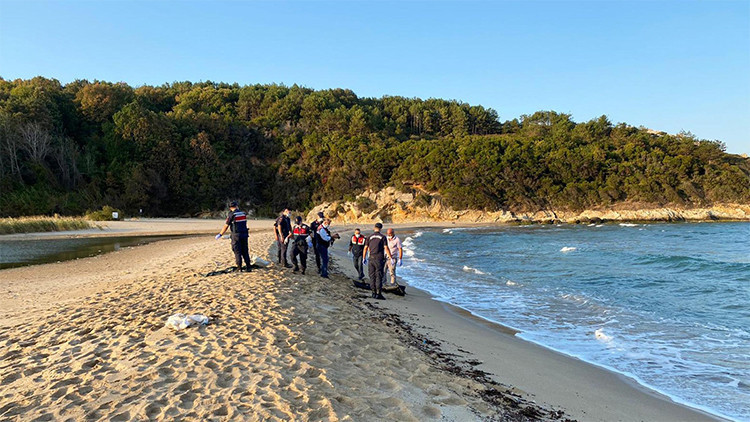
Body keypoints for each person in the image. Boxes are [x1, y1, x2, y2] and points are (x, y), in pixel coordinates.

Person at [215, 201, 252, 272]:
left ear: (230, 207)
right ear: (237, 206)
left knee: (237, 251)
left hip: (236, 235)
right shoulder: (243, 213)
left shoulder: (232, 214)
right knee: (245, 251)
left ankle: (239, 268)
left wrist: (220, 234)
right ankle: (248, 266)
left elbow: (226, 226)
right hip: (244, 234)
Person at [362, 222, 393, 299]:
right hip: (379, 258)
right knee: (378, 276)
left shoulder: (369, 237)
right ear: (381, 229)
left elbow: (365, 248)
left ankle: (373, 292)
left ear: (374, 228)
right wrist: (390, 257)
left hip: (371, 258)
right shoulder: (383, 237)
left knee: (372, 276)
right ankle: (378, 293)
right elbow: (386, 248)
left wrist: (364, 258)